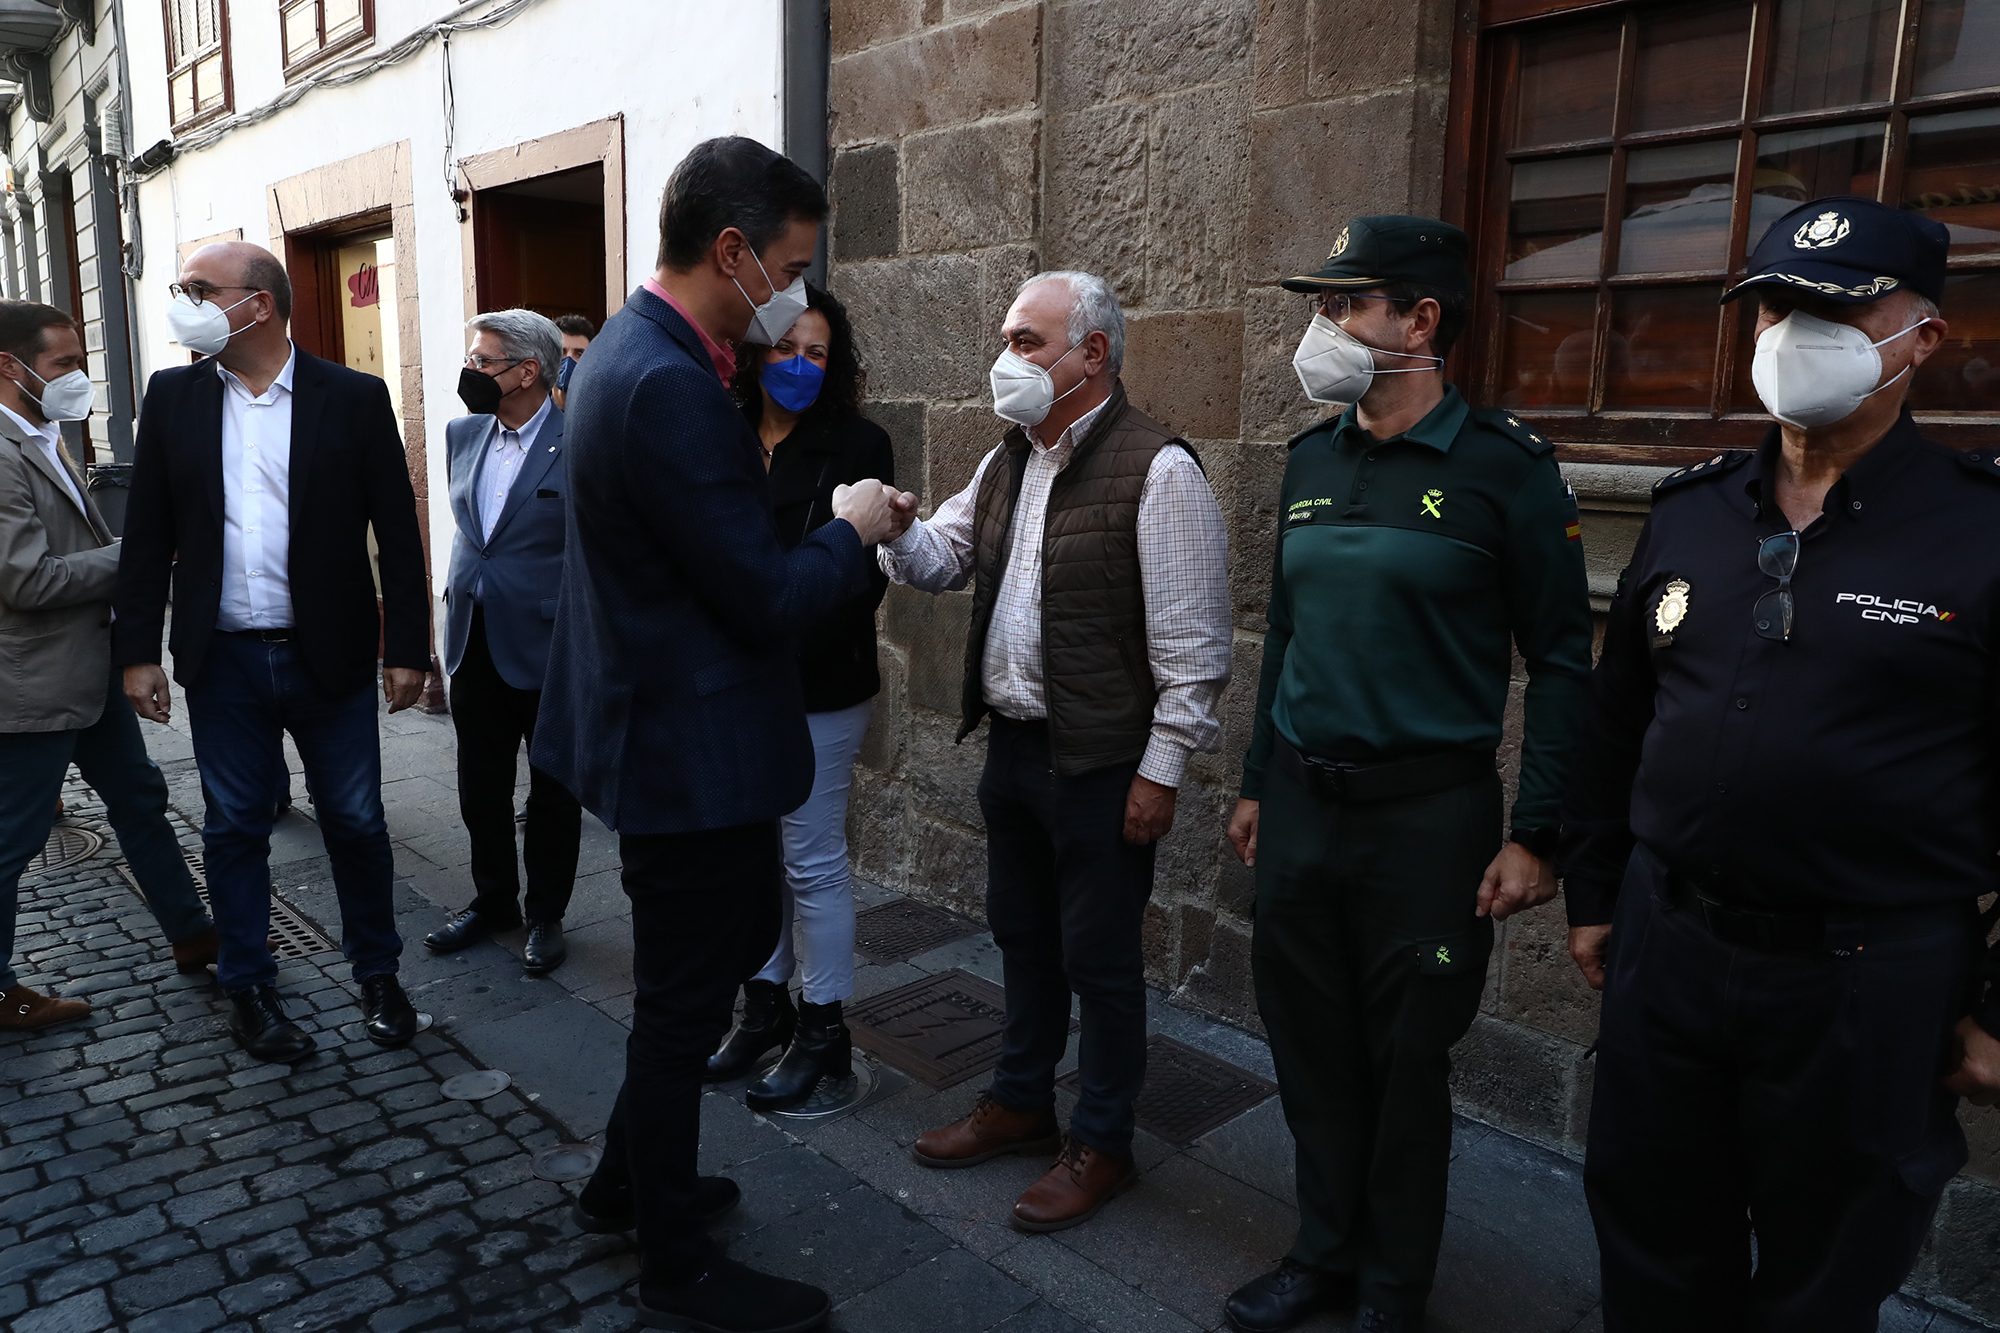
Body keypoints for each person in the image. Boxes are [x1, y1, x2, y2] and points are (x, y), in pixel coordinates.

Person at [1560, 195, 2000, 1331]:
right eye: (1775, 305)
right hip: (1672, 948)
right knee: (1652, 1239)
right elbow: (1619, 718)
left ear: (1922, 339)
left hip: (1866, 977)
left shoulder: (1978, 533)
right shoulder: (1695, 511)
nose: (1793, 332)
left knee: (1823, 1272)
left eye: (1837, 309)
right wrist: (1598, 890)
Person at [531, 136, 912, 1333]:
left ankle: (622, 1183)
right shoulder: (667, 384)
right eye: (791, 267)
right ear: (733, 250)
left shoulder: (635, 352)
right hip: (687, 750)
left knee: (702, 966)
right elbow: (767, 597)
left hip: (662, 730)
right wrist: (849, 528)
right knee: (682, 1006)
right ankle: (676, 1263)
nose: (797, 295)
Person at [1223, 216, 1593, 1333]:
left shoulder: (1503, 471)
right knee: (1309, 1043)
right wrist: (1251, 782)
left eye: (1346, 305)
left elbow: (1566, 662)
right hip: (1300, 806)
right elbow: (1283, 634)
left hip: (1426, 826)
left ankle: (1392, 1287)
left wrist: (1536, 831)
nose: (1322, 327)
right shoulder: (1308, 459)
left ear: (1420, 320)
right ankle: (1321, 1251)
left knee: (1402, 1058)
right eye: (1323, 306)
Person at [881, 270, 1233, 1232]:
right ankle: (1023, 1102)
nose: (1009, 359)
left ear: (1094, 354)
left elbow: (1196, 652)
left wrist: (1160, 773)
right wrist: (893, 527)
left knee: (1103, 960)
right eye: (1008, 339)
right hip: (1016, 753)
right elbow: (943, 560)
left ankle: (1104, 1140)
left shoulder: (1158, 469)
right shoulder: (1006, 462)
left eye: (1029, 341)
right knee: (1023, 938)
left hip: (1105, 767)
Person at [116, 242, 429, 1064]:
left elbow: (397, 529)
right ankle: (249, 985)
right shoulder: (174, 396)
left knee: (357, 823)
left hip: (327, 656)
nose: (182, 302)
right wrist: (137, 651)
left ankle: (378, 972)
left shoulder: (352, 398)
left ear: (257, 303)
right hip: (224, 662)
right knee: (233, 828)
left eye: (197, 290)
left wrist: (409, 649)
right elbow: (146, 535)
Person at [0, 302, 221, 1031]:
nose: (79, 377)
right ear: (12, 367)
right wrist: (141, 550)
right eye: (63, 364)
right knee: (13, 840)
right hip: (30, 685)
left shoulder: (40, 434)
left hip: (85, 670)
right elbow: (27, 579)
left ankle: (193, 933)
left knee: (139, 799)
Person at [704, 283, 893, 1110]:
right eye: (786, 348)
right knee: (750, 859)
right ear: (755, 352)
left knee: (810, 858)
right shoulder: (722, 434)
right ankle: (762, 1010)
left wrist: (776, 626)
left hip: (820, 683)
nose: (800, 365)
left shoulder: (858, 442)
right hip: (733, 686)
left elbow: (859, 575)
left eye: (817, 352)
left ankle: (825, 1032)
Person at [424, 308, 580, 975]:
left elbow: (591, 550)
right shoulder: (464, 433)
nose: (471, 372)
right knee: (478, 785)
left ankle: (547, 914)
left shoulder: (579, 441)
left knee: (552, 790)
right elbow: (473, 532)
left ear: (528, 371)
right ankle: (494, 901)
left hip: (547, 644)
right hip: (474, 637)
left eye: (483, 362)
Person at [552, 314, 593, 412]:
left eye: (579, 354)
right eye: (562, 353)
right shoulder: (532, 415)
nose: (568, 361)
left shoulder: (597, 417)